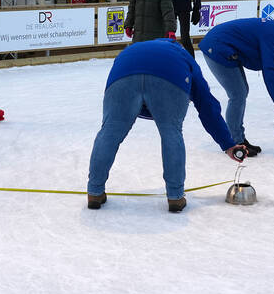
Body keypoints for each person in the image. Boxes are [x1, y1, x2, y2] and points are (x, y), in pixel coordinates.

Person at [87, 39, 245, 213]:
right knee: (171, 132)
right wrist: (228, 144)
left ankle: (94, 192)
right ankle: (175, 197)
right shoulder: (183, 55)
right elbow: (207, 105)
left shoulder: (132, 49)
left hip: (123, 75)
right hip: (170, 77)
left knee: (110, 131)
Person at [198, 16, 274, 157]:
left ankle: (239, 139)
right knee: (237, 94)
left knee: (241, 92)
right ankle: (234, 143)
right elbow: (272, 74)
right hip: (217, 47)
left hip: (220, 44)